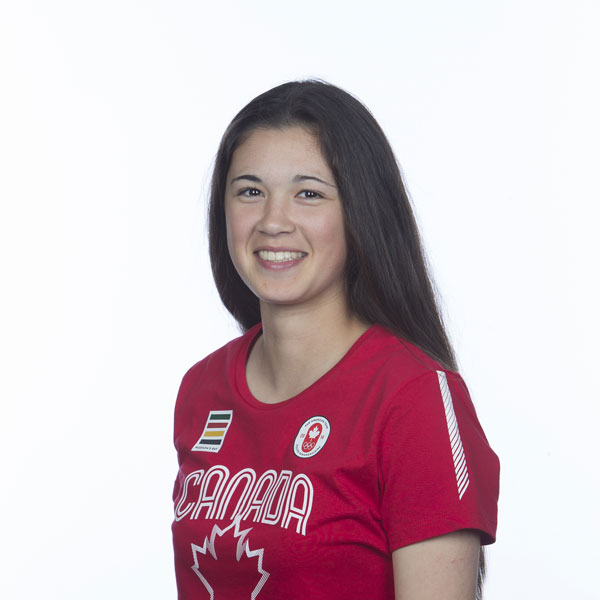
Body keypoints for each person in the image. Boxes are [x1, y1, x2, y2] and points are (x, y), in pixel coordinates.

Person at [171, 80, 499, 600]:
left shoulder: (414, 399)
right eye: (250, 191)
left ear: (360, 212)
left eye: (309, 194)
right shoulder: (202, 388)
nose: (274, 222)